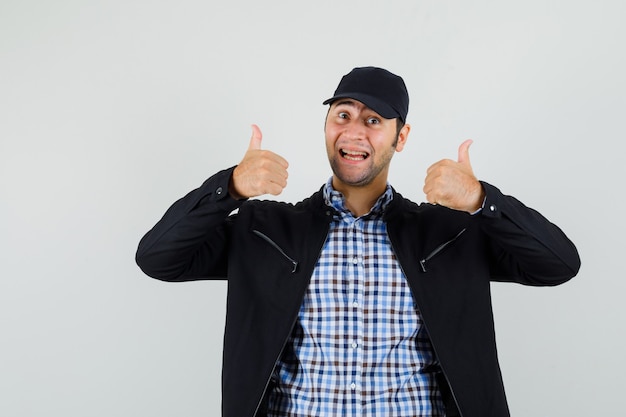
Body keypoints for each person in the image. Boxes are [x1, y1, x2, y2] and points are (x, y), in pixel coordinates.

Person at [135, 66, 580, 417]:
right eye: (342, 115)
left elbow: (558, 264)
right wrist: (227, 188)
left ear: (400, 137)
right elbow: (158, 258)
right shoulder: (265, 231)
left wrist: (483, 200)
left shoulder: (448, 233)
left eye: (373, 120)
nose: (354, 132)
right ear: (327, 125)